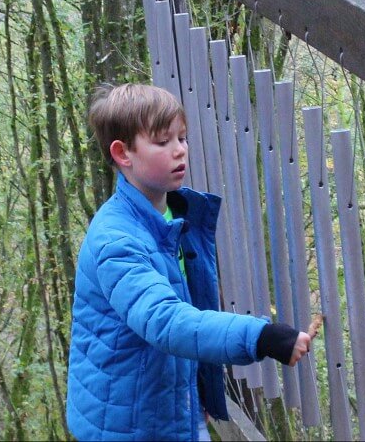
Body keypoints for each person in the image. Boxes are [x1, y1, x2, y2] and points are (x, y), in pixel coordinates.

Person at [67, 83, 310, 441]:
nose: (180, 151)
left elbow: (188, 310)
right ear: (123, 153)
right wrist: (260, 336)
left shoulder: (175, 217)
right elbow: (166, 321)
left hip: (172, 409)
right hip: (128, 427)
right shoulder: (115, 240)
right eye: (163, 142)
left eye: (182, 138)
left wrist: (202, 389)